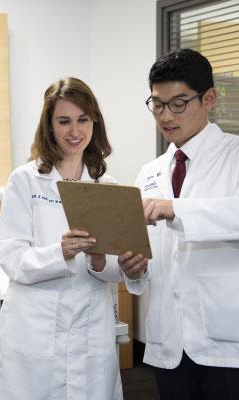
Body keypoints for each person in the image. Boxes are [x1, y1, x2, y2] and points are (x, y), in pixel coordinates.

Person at [0, 77, 133, 400]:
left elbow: (112, 268)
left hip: (91, 325)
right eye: (64, 121)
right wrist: (61, 252)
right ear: (49, 125)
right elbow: (11, 257)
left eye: (83, 120)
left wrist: (99, 259)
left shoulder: (104, 184)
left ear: (94, 122)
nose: (74, 131)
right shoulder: (25, 180)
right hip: (35, 326)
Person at [119, 48, 239, 400]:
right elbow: (149, 254)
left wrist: (177, 209)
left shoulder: (235, 156)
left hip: (225, 341)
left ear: (210, 98)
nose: (165, 116)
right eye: (157, 104)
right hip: (168, 341)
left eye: (178, 103)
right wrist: (134, 269)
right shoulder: (150, 172)